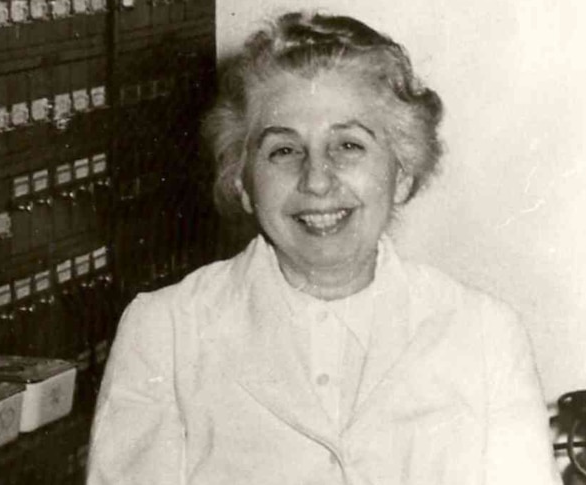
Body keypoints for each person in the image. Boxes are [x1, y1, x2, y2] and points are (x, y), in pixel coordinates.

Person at [88, 11, 561, 485]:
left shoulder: (485, 335)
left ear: (402, 172)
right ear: (243, 182)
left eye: (349, 146)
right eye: (284, 150)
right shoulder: (165, 333)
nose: (317, 180)